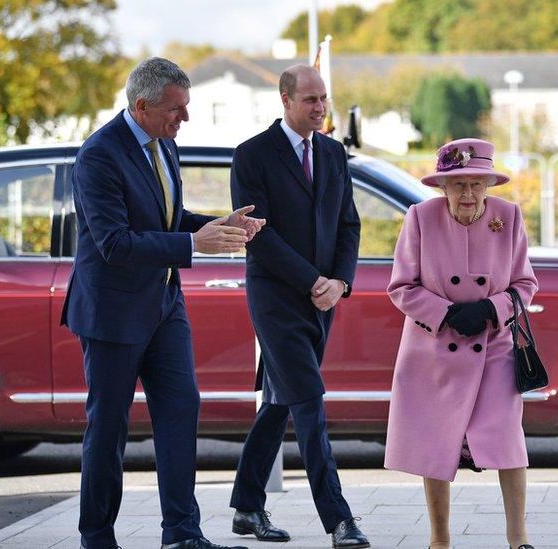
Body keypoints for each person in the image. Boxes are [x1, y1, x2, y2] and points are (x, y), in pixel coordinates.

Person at [61, 57, 264, 549]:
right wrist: (198, 246)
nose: (185, 119)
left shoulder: (163, 144)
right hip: (112, 312)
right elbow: (116, 243)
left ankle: (181, 532)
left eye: (186, 108)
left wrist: (220, 225)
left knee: (179, 412)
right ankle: (97, 535)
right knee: (108, 429)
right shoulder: (98, 155)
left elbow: (167, 217)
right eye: (177, 110)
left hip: (165, 305)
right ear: (142, 106)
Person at [228, 64, 368, 548]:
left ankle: (247, 507)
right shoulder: (252, 156)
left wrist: (340, 283)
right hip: (274, 298)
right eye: (310, 99)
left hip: (323, 299)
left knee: (279, 401)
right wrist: (313, 280)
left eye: (324, 98)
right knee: (308, 401)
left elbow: (348, 225)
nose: (320, 107)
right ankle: (339, 520)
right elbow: (257, 236)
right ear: (285, 100)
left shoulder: (332, 153)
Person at [384, 138, 539, 549]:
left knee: (507, 438)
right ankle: (440, 539)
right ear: (443, 187)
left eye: (476, 184)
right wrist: (446, 313)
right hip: (435, 350)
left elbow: (526, 283)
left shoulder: (509, 216)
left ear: (488, 184)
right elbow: (400, 287)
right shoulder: (420, 217)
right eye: (458, 185)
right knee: (436, 440)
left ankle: (519, 539)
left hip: (494, 347)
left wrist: (491, 309)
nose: (467, 194)